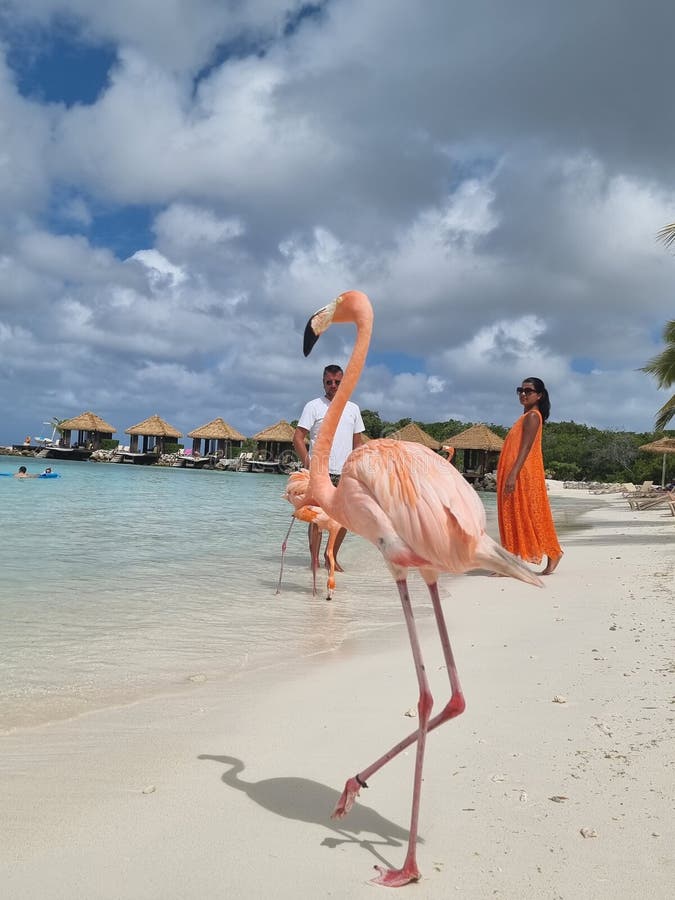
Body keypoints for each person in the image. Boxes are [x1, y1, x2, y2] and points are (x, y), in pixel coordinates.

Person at [293, 364, 365, 572]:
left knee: (344, 520)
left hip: (344, 473)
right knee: (316, 520)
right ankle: (314, 559)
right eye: (329, 382)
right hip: (319, 473)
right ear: (323, 382)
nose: (333, 386)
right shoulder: (313, 406)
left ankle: (330, 555)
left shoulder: (353, 409)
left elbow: (357, 442)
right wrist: (309, 463)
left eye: (337, 382)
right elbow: (298, 437)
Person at [496, 377, 563, 575]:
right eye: (520, 390)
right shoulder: (526, 416)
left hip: (522, 474)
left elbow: (525, 448)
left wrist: (513, 474)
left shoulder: (533, 416)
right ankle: (515, 560)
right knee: (515, 516)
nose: (523, 394)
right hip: (517, 472)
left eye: (528, 391)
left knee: (529, 515)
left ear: (539, 395)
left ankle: (551, 553)